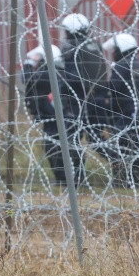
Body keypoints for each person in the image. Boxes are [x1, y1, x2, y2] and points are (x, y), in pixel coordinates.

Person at [103, 33, 139, 187]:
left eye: (115, 50)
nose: (114, 53)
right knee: (132, 145)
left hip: (130, 111)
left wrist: (103, 100)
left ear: (121, 49)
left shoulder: (121, 65)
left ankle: (128, 180)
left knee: (122, 144)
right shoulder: (138, 64)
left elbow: (113, 89)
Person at [59, 13, 108, 185]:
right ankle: (126, 168)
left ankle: (76, 178)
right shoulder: (94, 45)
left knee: (72, 140)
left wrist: (60, 91)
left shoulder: (70, 46)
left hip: (77, 101)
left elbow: (71, 77)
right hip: (97, 100)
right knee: (96, 139)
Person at [22, 44, 69, 185]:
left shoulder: (48, 73)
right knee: (56, 145)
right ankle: (65, 178)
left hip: (52, 117)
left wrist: (29, 64)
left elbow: (27, 79)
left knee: (52, 146)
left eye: (40, 60)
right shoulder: (58, 71)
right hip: (54, 115)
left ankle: (63, 178)